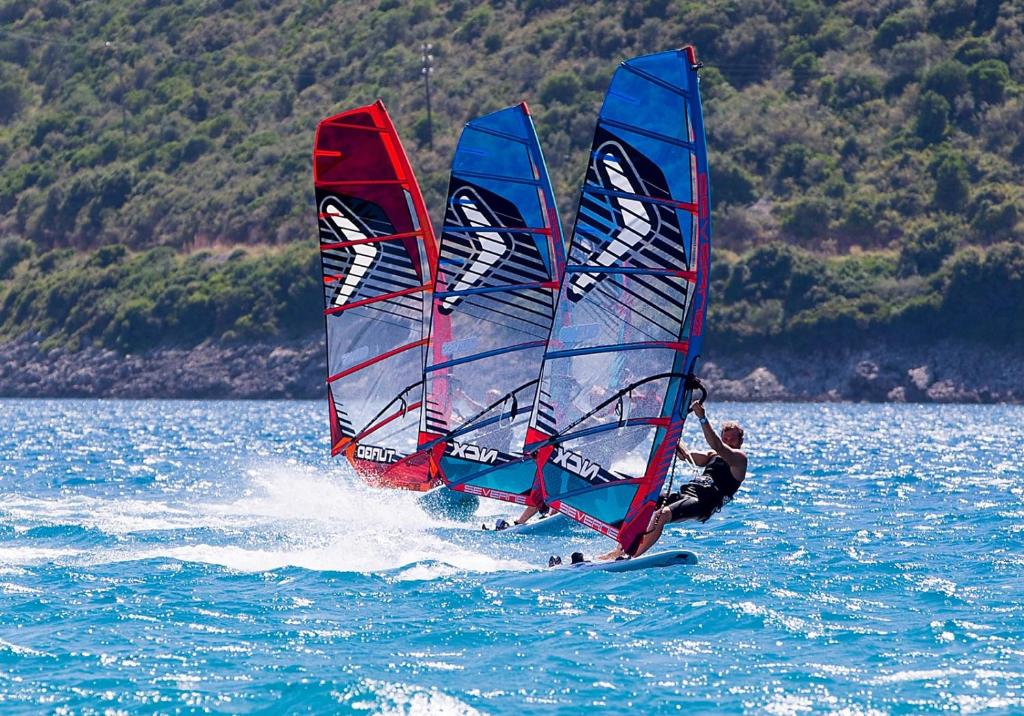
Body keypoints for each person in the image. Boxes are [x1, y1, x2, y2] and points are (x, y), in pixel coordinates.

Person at [597, 401, 747, 560]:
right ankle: (618, 551)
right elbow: (684, 455)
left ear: (740, 442)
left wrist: (702, 418)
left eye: (732, 439)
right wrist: (672, 429)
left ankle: (631, 556)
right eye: (725, 438)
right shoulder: (712, 456)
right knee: (643, 502)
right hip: (685, 494)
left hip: (704, 502)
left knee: (661, 515)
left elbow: (718, 446)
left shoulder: (739, 460)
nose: (728, 441)